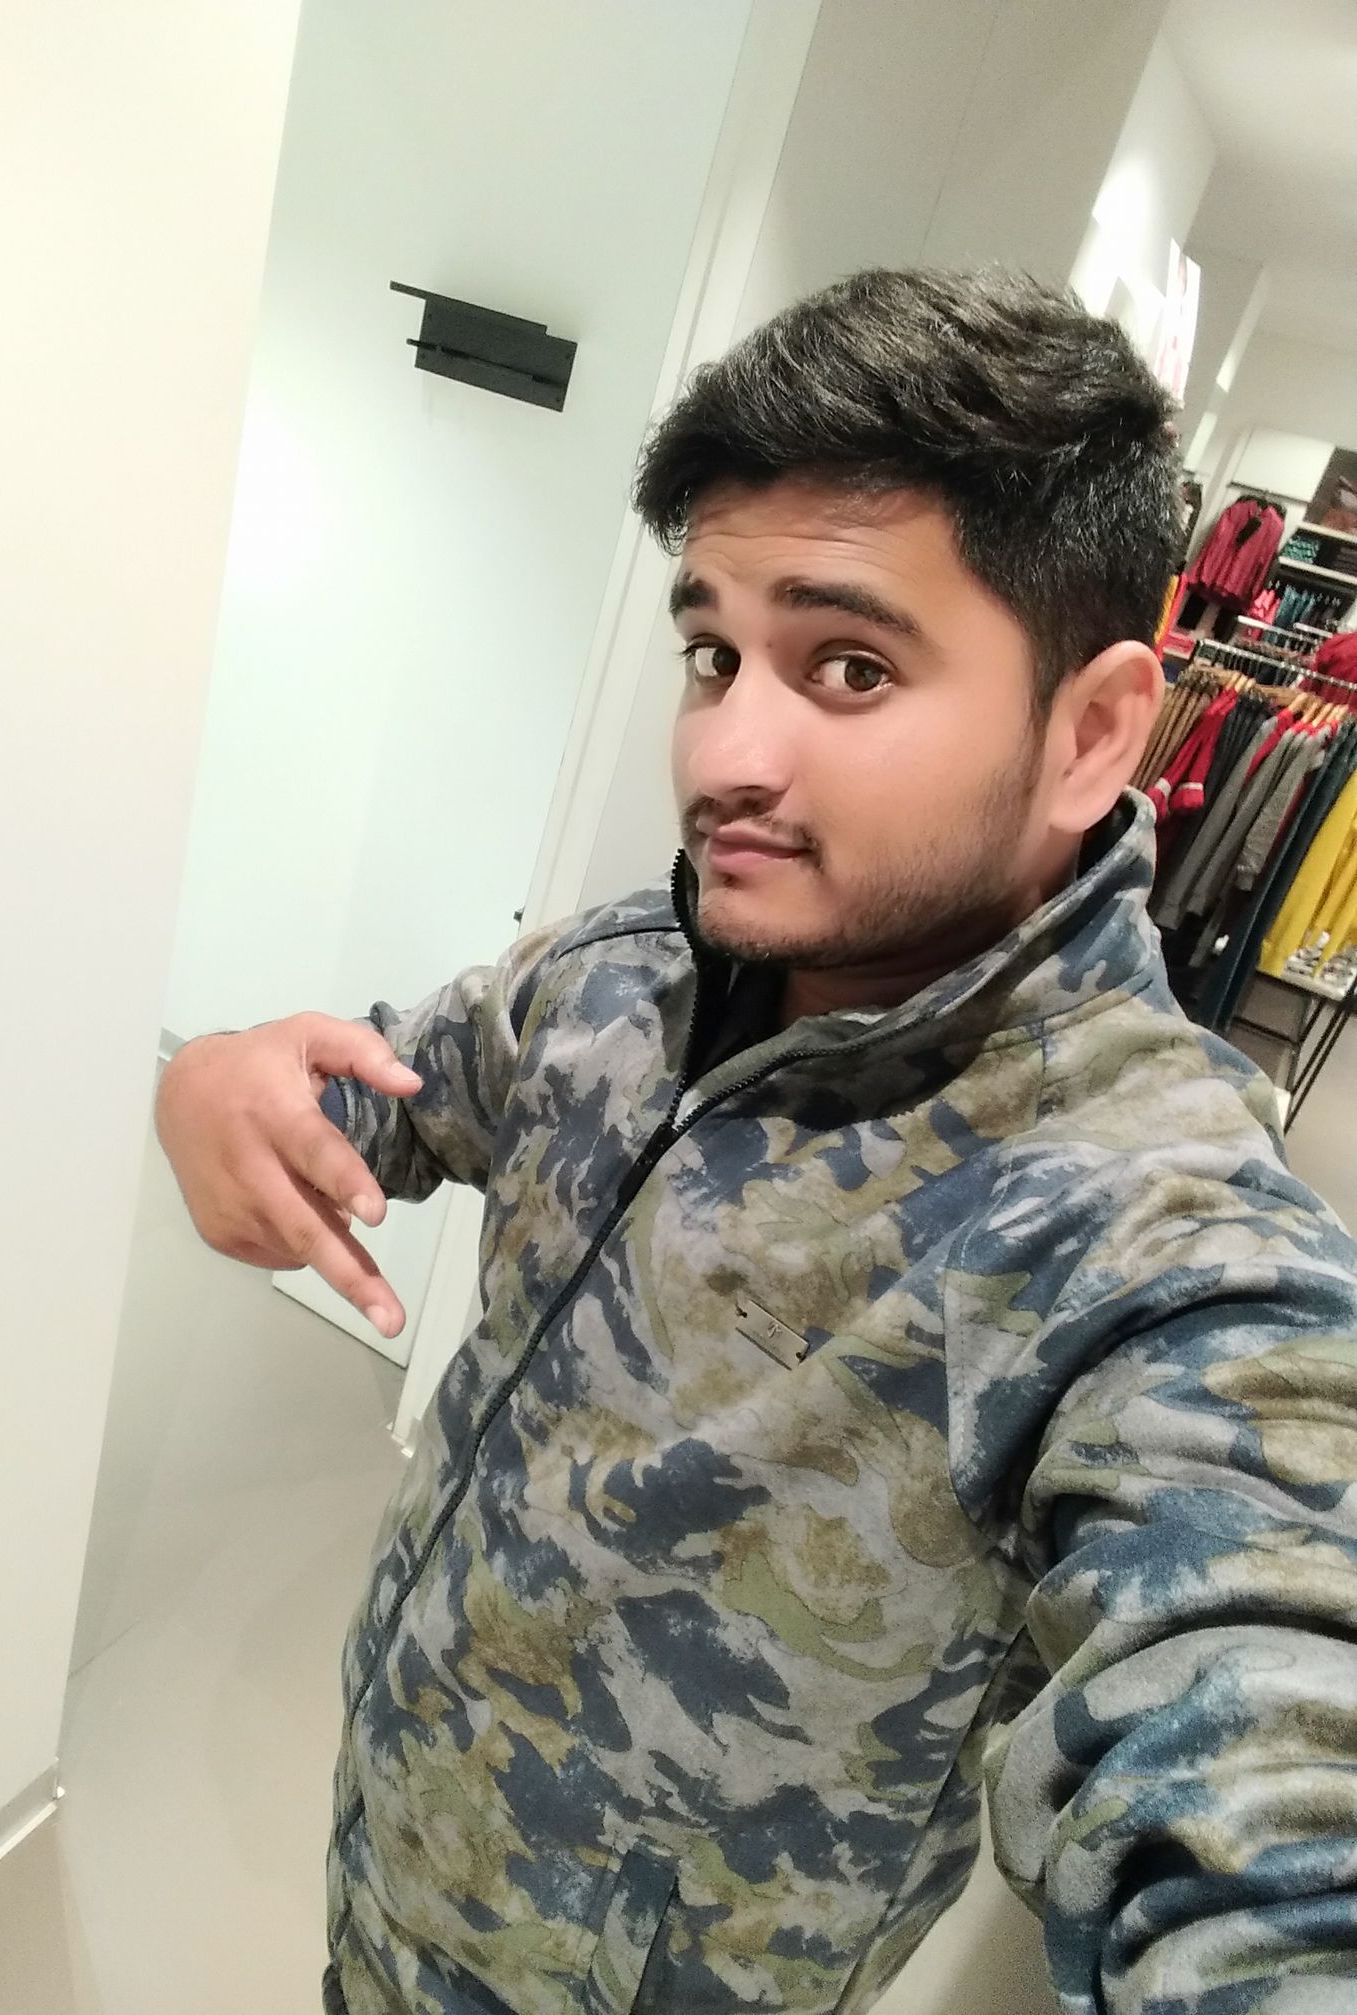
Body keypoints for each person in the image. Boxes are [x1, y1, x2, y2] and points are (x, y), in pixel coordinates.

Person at [156, 270, 1357, 2015]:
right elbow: (359, 1095)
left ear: (1094, 730)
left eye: (849, 666)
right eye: (714, 653)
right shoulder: (619, 977)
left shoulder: (1149, 1224)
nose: (726, 750)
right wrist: (217, 1082)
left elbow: (1272, 1759)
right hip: (390, 1883)